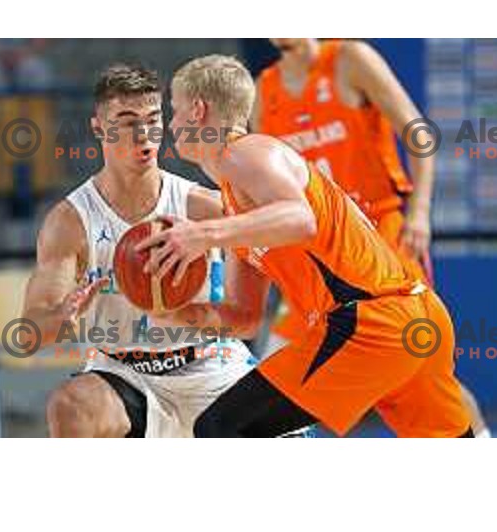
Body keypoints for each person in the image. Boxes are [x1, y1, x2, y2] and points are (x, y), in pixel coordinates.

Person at [138, 54, 473, 438]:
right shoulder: (234, 205)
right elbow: (244, 316)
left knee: (220, 427)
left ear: (198, 110)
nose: (172, 124)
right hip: (413, 318)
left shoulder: (247, 152)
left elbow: (301, 218)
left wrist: (203, 234)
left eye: (174, 111)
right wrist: (175, 312)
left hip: (369, 320)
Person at [253, 38, 489, 437]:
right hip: (324, 257)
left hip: (384, 242)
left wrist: (421, 209)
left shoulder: (350, 59)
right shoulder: (266, 89)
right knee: (274, 374)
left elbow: (416, 130)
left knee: (422, 378)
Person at [21, 63, 253, 437]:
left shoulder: (201, 206)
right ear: (98, 128)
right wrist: (63, 315)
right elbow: (31, 332)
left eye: (153, 118)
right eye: (127, 120)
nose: (143, 133)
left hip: (211, 364)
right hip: (125, 373)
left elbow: (272, 254)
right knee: (72, 405)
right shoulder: (70, 221)